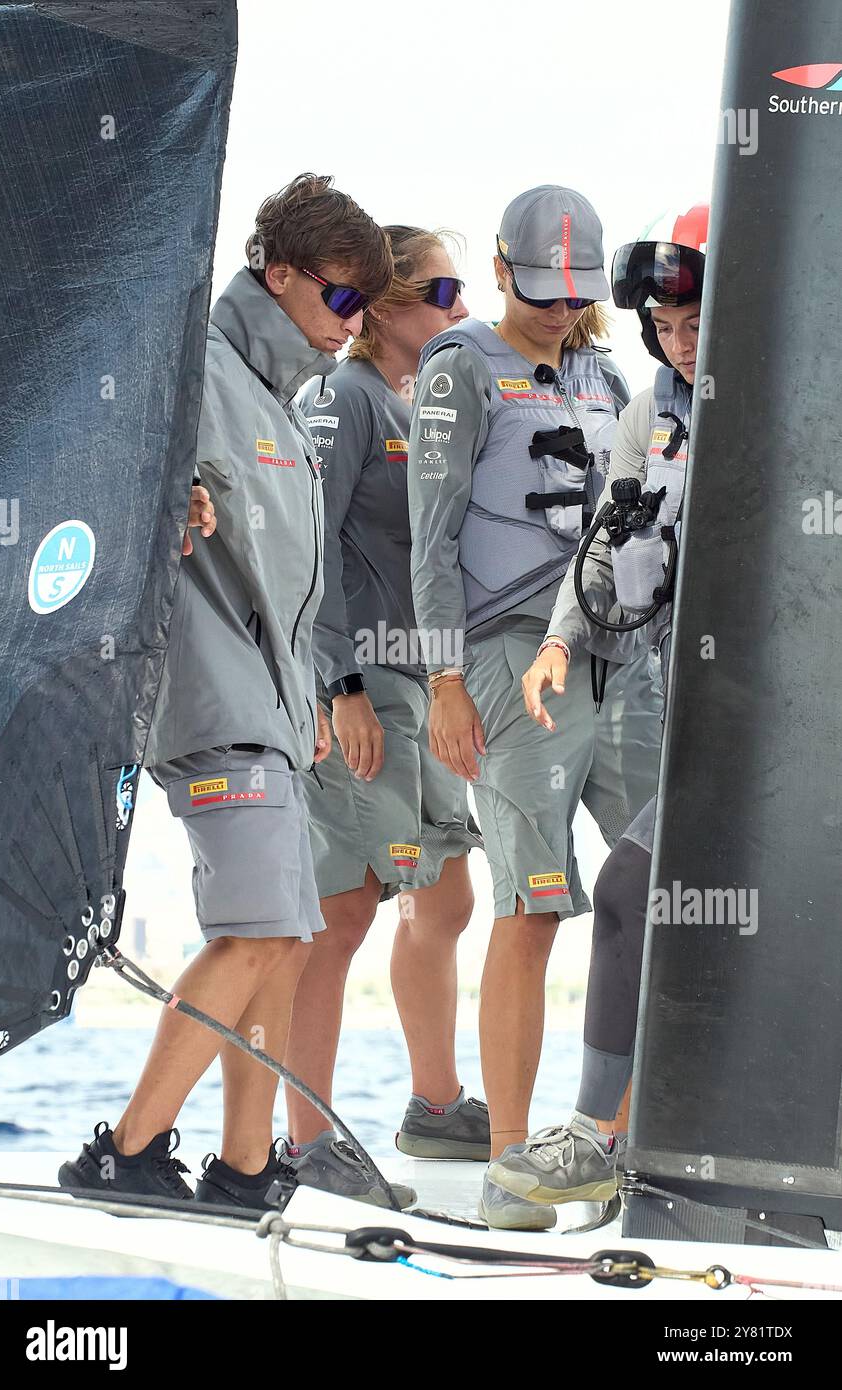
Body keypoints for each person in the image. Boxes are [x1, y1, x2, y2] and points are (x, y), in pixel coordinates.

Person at [58, 174, 393, 1210]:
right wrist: (158, 489)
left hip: (268, 715)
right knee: (251, 933)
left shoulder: (285, 413)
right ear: (275, 273)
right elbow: (95, 448)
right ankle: (123, 1150)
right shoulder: (188, 369)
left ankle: (247, 1167)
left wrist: (306, 709)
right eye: (339, 298)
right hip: (206, 703)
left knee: (284, 939)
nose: (352, 325)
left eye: (365, 308)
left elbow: (288, 594)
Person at [406, 186, 664, 1229]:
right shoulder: (459, 369)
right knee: (532, 905)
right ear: (504, 273)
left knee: (662, 894)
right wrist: (441, 682)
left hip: (624, 657)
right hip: (508, 663)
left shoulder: (611, 376)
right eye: (542, 290)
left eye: (577, 294)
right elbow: (423, 539)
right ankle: (508, 1164)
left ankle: (624, 1145)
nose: (559, 310)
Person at [488, 205, 708, 1229]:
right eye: (663, 323)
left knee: (637, 886)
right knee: (632, 889)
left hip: (793, 723)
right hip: (697, 712)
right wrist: (556, 641)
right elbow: (607, 537)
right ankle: (604, 1137)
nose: (680, 338)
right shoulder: (648, 416)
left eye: (696, 317)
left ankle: (612, 1135)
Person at [285, 228, 489, 1200]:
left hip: (422, 689)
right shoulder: (342, 397)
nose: (457, 310)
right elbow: (301, 546)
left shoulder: (419, 402)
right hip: (360, 687)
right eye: (440, 289)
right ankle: (304, 1144)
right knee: (339, 915)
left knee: (444, 898)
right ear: (385, 303)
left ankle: (435, 1108)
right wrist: (338, 689)